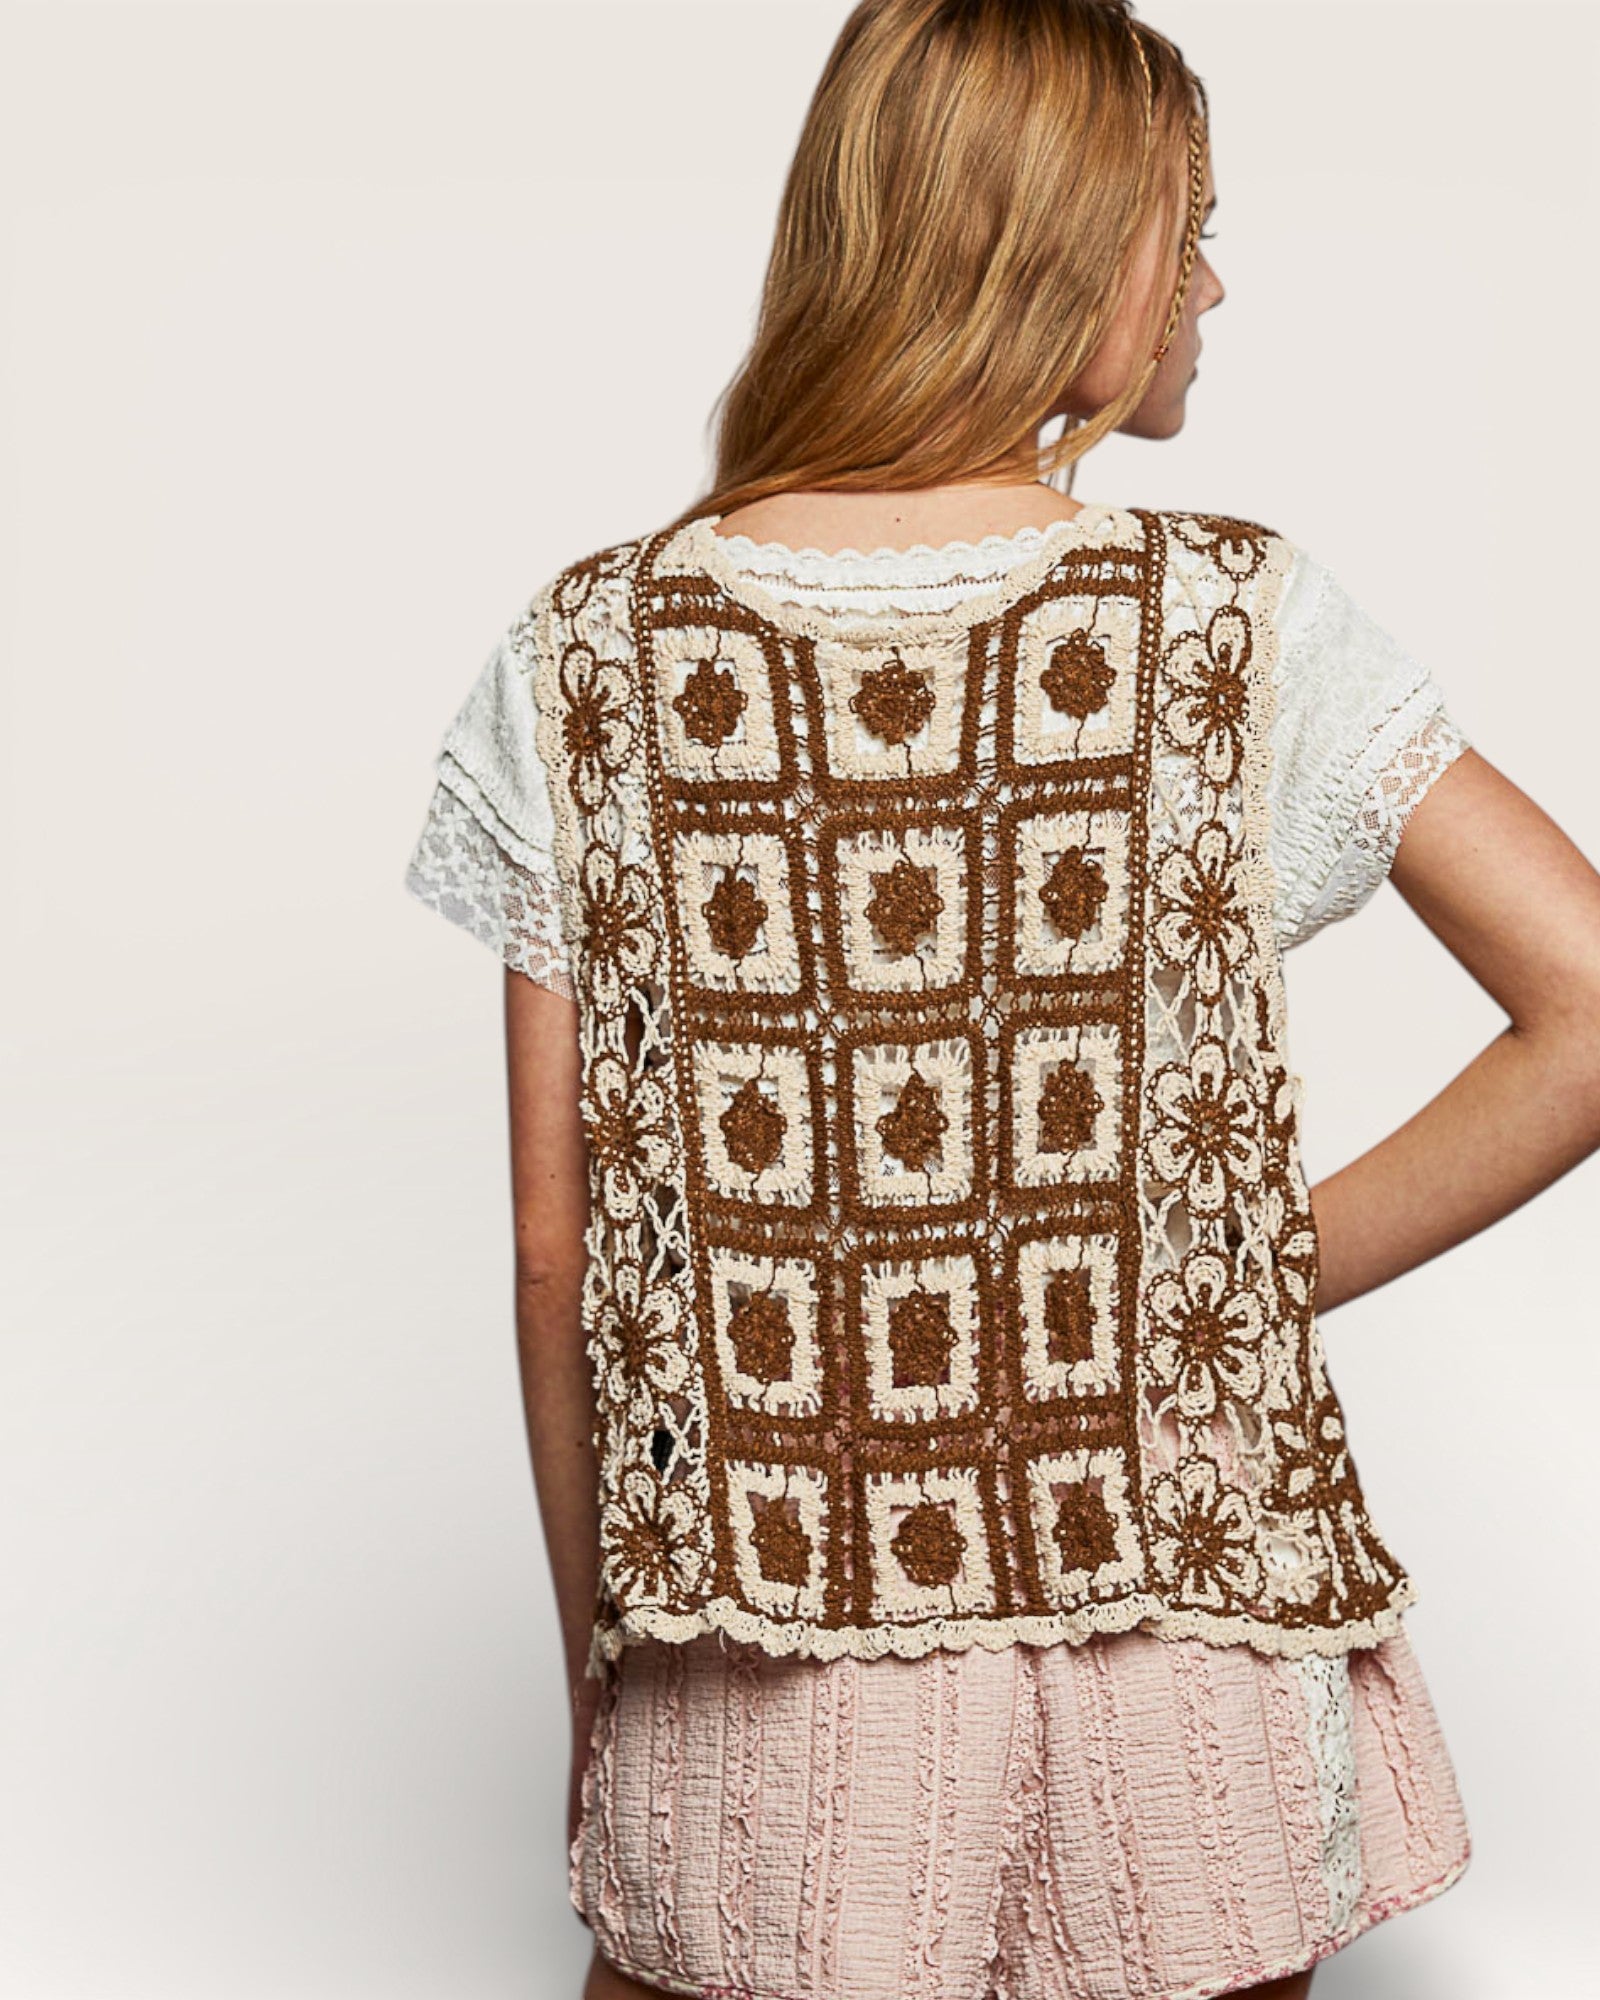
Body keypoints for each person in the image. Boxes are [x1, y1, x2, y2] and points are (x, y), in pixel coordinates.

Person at [404, 4, 1600, 1995]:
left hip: (766, 1670)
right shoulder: (1233, 622)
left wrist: (598, 1668)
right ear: (1046, 248)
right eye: (1181, 224)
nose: (1211, 281)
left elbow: (557, 1261)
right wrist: (1226, 1275)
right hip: (1177, 1654)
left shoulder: (593, 654)